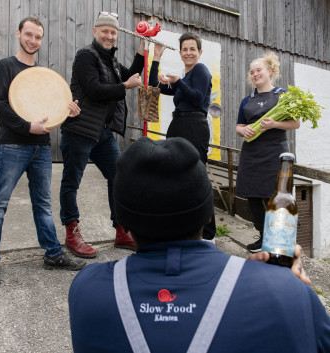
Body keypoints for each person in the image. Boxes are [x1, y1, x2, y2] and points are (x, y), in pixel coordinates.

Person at [69, 137, 329, 353]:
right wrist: (289, 288)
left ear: (123, 223)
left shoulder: (87, 290)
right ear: (208, 216)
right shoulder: (288, 293)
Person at [0, 17, 86, 287]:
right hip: (13, 145)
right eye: (29, 35)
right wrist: (27, 127)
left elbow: (53, 115)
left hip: (41, 148)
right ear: (18, 34)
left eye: (38, 37)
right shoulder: (6, 66)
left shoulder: (43, 75)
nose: (33, 41)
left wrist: (69, 113)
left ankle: (52, 254)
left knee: (43, 205)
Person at [59, 12, 144, 258]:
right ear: (95, 32)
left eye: (113, 32)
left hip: (103, 133)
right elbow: (95, 90)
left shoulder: (112, 61)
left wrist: (143, 45)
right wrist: (125, 87)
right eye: (105, 31)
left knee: (118, 178)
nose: (109, 36)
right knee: (71, 182)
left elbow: (131, 75)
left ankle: (121, 230)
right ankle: (71, 232)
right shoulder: (86, 55)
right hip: (80, 130)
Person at [148, 32, 216, 240]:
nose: (188, 53)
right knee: (174, 175)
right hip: (178, 125)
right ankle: (182, 227)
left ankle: (208, 234)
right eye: (184, 49)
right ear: (180, 53)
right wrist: (157, 57)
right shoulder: (184, 78)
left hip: (195, 126)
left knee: (197, 176)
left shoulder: (201, 70)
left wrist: (178, 81)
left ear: (199, 52)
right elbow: (154, 86)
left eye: (192, 49)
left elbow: (197, 99)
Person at [235, 52, 300, 253]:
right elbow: (239, 126)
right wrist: (243, 130)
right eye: (252, 72)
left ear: (270, 71)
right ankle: (264, 236)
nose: (255, 74)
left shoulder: (284, 96)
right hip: (252, 152)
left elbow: (296, 123)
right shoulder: (247, 100)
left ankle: (278, 239)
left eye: (259, 70)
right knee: (252, 196)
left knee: (274, 197)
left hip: (274, 152)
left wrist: (274, 123)